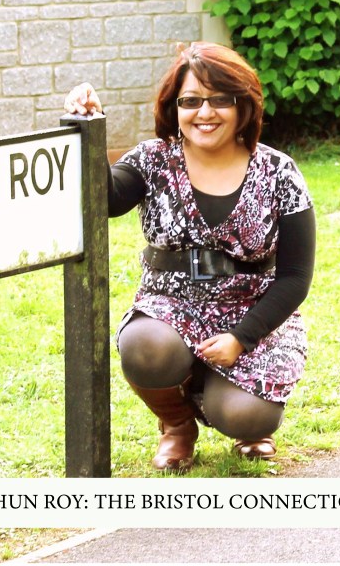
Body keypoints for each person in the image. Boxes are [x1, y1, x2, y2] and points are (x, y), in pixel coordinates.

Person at [63, 42, 316, 472]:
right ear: (174, 108)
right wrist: (89, 124)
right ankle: (177, 425)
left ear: (243, 106)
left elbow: (294, 277)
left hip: (253, 315)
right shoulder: (153, 161)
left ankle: (236, 411)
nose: (205, 112)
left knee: (248, 415)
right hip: (170, 307)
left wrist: (241, 338)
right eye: (191, 101)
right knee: (144, 347)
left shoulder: (279, 172)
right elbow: (104, 198)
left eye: (220, 100)